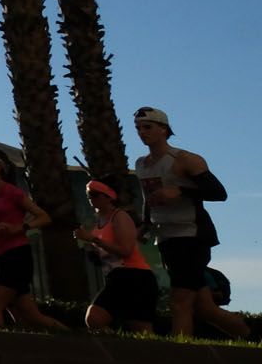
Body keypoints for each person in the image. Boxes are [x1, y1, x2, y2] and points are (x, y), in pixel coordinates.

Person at [134, 106, 251, 340]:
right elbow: (149, 196)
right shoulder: (142, 164)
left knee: (180, 302)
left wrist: (180, 190)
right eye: (138, 128)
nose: (142, 132)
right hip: (165, 237)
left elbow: (219, 192)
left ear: (164, 130)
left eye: (147, 127)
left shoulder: (184, 159)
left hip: (191, 235)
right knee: (205, 308)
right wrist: (145, 223)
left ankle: (180, 352)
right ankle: (251, 336)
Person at [0, 146, 64, 330]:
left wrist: (19, 228)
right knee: (29, 316)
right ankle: (74, 338)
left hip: (17, 255)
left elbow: (44, 217)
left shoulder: (13, 193)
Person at [77, 178, 156, 334]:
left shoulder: (119, 216)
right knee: (138, 331)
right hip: (118, 277)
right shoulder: (98, 224)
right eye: (88, 195)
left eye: (94, 194)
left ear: (108, 196)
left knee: (96, 318)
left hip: (135, 276)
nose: (90, 198)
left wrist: (93, 240)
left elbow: (125, 250)